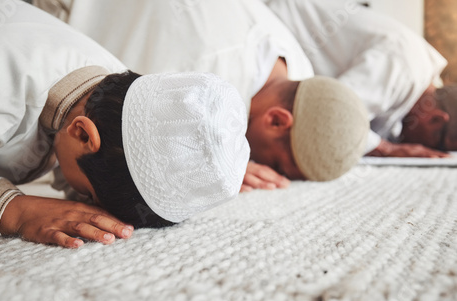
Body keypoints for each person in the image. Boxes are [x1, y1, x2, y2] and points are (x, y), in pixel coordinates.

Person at [0, 0, 250, 248]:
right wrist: (15, 211)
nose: (82, 202)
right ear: (83, 133)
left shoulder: (111, 88)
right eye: (87, 194)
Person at [55, 0, 370, 192]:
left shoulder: (298, 69)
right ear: (276, 120)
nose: (267, 171)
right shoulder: (196, 77)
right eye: (276, 164)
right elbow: (105, 140)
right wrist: (217, 160)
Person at [261, 0, 457, 157]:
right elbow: (330, 112)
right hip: (266, 31)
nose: (426, 150)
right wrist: (387, 149)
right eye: (437, 145)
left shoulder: (412, 85)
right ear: (435, 120)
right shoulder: (403, 67)